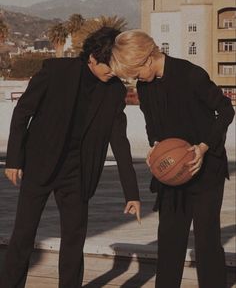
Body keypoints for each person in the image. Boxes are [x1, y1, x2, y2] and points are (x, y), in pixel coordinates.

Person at [0, 26, 140, 288]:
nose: (113, 72)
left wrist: (131, 192)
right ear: (91, 58)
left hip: (78, 172)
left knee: (74, 240)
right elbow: (22, 112)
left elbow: (119, 141)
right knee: (23, 235)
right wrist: (14, 160)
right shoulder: (55, 72)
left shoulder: (114, 91)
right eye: (108, 66)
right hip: (40, 164)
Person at [110, 29, 235, 288]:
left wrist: (203, 147)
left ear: (147, 58)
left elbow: (225, 110)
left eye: (135, 72)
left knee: (207, 241)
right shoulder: (145, 86)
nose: (134, 79)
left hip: (206, 167)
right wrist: (154, 145)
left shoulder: (190, 74)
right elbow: (152, 124)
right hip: (172, 169)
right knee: (169, 240)